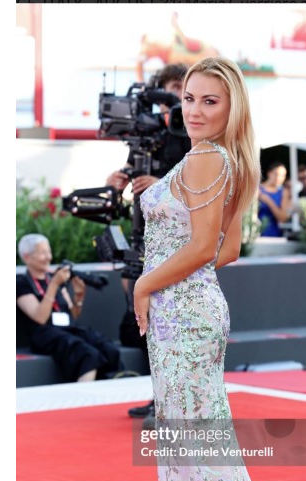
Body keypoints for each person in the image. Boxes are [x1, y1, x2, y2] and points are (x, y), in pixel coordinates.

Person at [133, 56, 306, 481]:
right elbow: (226, 250)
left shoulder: (207, 159)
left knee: (202, 455)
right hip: (190, 315)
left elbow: (206, 244)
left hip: (182, 320)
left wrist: (145, 281)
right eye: (189, 99)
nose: (196, 111)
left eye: (210, 101)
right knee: (192, 452)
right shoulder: (222, 160)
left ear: (231, 107)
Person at [106, 63, 192, 419]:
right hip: (142, 236)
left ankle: (179, 404)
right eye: (171, 87)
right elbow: (132, 170)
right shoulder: (145, 134)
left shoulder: (190, 134)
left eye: (180, 88)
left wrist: (157, 182)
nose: (174, 96)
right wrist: (117, 180)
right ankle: (160, 397)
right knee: (144, 324)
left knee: (174, 324)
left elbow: (197, 186)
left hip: (178, 240)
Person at [16, 234, 123, 382]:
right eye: (42, 253)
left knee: (107, 348)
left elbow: (72, 315)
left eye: (48, 251)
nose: (48, 257)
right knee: (87, 354)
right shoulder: (21, 283)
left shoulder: (54, 278)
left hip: (69, 329)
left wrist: (79, 297)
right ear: (27, 257)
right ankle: (85, 398)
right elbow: (40, 317)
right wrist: (54, 285)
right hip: (46, 334)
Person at [257, 162, 290, 237]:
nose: (279, 178)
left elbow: (283, 218)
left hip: (274, 233)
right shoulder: (257, 189)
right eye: (276, 174)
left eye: (283, 175)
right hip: (257, 232)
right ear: (269, 173)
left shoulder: (284, 192)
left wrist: (268, 201)